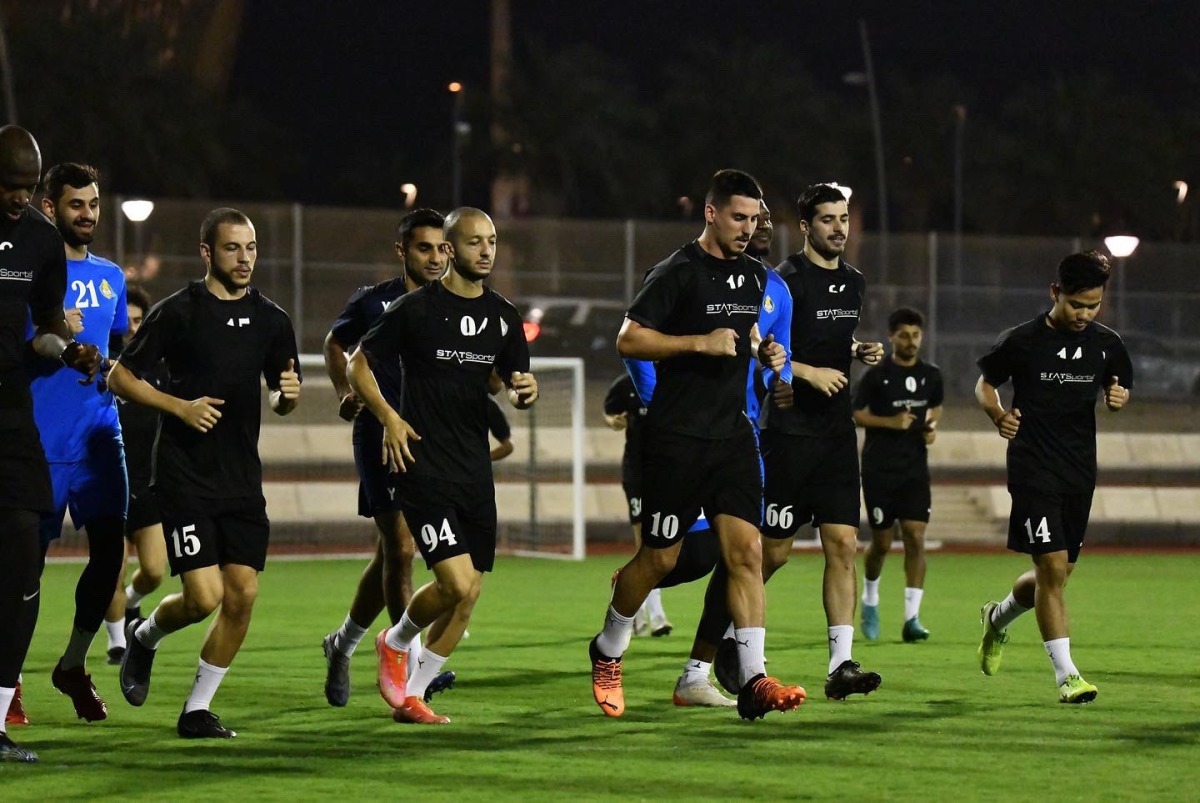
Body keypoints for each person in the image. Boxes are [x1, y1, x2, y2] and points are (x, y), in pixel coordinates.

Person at [589, 169, 804, 722]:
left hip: (733, 436)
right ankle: (609, 647)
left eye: (755, 219)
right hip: (676, 438)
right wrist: (697, 343)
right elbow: (628, 337)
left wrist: (766, 354)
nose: (748, 228)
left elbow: (748, 336)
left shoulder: (756, 277)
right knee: (659, 558)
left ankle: (753, 678)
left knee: (746, 554)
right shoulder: (677, 271)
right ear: (710, 213)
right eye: (738, 217)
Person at [109, 208, 301, 739]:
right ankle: (145, 637)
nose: (245, 258)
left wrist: (286, 400)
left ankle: (197, 709)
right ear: (207, 253)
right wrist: (179, 407)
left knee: (242, 595)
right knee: (203, 597)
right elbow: (120, 376)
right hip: (185, 475)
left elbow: (282, 393)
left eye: (252, 248)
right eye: (233, 248)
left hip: (241, 479)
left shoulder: (272, 320)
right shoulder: (178, 312)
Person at [362, 208, 537, 725]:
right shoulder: (416, 309)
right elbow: (357, 362)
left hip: (473, 472)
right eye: (474, 242)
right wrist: (389, 417)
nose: (486, 250)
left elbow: (515, 384)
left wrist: (525, 392)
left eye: (492, 241)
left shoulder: (505, 317)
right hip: (423, 465)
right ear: (451, 248)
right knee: (456, 583)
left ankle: (414, 697)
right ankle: (394, 641)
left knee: (469, 594)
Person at [975, 251, 1131, 704]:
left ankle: (997, 618)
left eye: (1093, 305)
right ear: (1054, 293)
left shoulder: (1108, 343)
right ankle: (1067, 677)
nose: (1085, 314)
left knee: (1056, 576)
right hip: (1032, 468)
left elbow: (1118, 386)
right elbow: (985, 384)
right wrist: (998, 415)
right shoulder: (1022, 341)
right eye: (1077, 304)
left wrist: (1118, 397)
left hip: (1079, 470)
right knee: (1051, 569)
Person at [319, 209, 457, 709]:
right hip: (380, 435)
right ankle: (410, 662)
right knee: (400, 549)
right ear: (402, 252)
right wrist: (344, 390)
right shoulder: (375, 301)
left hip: (432, 440)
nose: (437, 258)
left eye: (443, 248)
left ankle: (343, 644)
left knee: (391, 556)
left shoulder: (455, 301)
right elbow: (336, 343)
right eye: (425, 248)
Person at [759, 182, 886, 700]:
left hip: (835, 434)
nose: (839, 228)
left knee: (843, 545)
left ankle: (841, 665)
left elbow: (825, 337)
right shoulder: (783, 281)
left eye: (844, 218)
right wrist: (806, 371)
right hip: (788, 433)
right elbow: (762, 346)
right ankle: (728, 634)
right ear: (806, 226)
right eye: (828, 220)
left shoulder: (854, 282)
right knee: (773, 554)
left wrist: (855, 349)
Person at [0, 125, 102, 763]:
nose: (17, 199)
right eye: (7, 188)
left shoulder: (39, 240)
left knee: (20, 560)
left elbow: (41, 328)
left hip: (9, 414)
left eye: (25, 189)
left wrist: (68, 349)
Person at [25, 163, 130, 726]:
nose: (87, 214)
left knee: (110, 553)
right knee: (24, 570)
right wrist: (57, 336)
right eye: (76, 205)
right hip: (37, 443)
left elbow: (118, 350)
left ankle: (72, 663)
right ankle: (9, 679)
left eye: (93, 204)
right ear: (50, 207)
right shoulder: (26, 274)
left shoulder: (112, 277)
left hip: (97, 437)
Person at [853, 307, 944, 642]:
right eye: (904, 335)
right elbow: (857, 414)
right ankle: (871, 598)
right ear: (891, 337)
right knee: (881, 541)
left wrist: (932, 426)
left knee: (916, 538)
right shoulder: (876, 375)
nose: (911, 341)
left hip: (915, 469)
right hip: (879, 469)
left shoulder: (931, 374)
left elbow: (935, 406)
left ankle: (912, 618)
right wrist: (890, 423)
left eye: (916, 335)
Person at [102, 286, 167, 665]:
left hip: (147, 482)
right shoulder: (102, 365)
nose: (132, 327)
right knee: (112, 564)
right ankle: (116, 643)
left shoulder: (158, 367)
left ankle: (131, 603)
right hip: (111, 479)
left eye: (140, 320)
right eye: (126, 320)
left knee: (156, 571)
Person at [602, 372, 672, 638]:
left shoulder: (674, 378)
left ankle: (633, 607)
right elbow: (609, 414)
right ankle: (656, 616)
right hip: (638, 473)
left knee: (661, 549)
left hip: (668, 472)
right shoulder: (625, 383)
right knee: (646, 545)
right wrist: (614, 421)